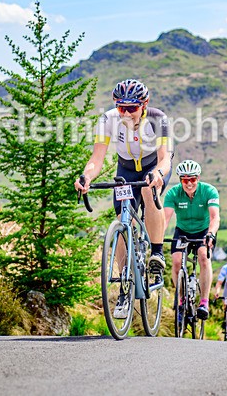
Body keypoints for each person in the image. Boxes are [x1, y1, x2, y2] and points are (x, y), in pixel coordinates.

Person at [74, 79, 172, 318]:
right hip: (126, 170)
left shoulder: (158, 119)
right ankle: (124, 288)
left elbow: (165, 158)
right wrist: (86, 177)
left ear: (144, 105)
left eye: (132, 108)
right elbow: (97, 158)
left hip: (153, 166)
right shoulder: (107, 120)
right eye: (121, 108)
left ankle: (157, 252)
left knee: (148, 190)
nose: (126, 113)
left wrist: (158, 174)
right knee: (121, 221)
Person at [163, 159, 219, 320]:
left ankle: (204, 302)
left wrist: (211, 234)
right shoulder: (173, 193)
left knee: (203, 257)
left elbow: (215, 217)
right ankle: (181, 300)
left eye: (192, 179)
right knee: (176, 261)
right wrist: (157, 238)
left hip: (204, 231)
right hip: (182, 231)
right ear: (180, 180)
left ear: (198, 178)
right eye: (185, 180)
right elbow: (165, 219)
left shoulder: (209, 191)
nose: (189, 183)